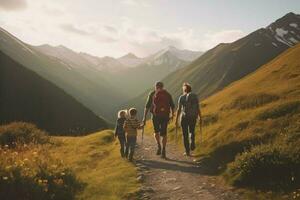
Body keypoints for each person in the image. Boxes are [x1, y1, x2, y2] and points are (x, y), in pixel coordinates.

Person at [142, 81, 175, 159]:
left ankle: (159, 146)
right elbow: (172, 106)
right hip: (165, 116)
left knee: (156, 131)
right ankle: (164, 149)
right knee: (164, 133)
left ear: (155, 86)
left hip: (155, 116)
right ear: (163, 86)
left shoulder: (152, 93)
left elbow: (147, 106)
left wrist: (144, 117)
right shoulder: (167, 94)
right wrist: (172, 115)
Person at [175, 83, 202, 156]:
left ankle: (187, 151)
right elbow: (197, 107)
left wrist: (176, 119)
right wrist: (200, 117)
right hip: (193, 117)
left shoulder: (181, 97)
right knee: (192, 131)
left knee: (185, 134)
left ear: (184, 89)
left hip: (184, 117)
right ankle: (192, 141)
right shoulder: (195, 96)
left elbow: (179, 109)